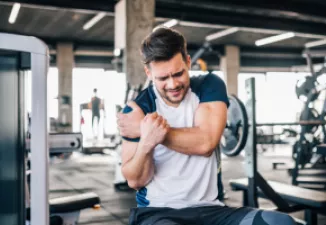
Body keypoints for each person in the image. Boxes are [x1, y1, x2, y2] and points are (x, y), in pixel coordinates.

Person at [117, 27, 296, 225]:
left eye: (178, 74)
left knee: (281, 222)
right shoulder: (138, 110)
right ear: (148, 72)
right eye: (163, 78)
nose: (173, 84)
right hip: (159, 213)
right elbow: (135, 180)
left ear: (188, 61)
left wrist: (154, 132)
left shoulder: (209, 86)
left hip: (212, 211)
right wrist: (146, 143)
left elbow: (206, 143)